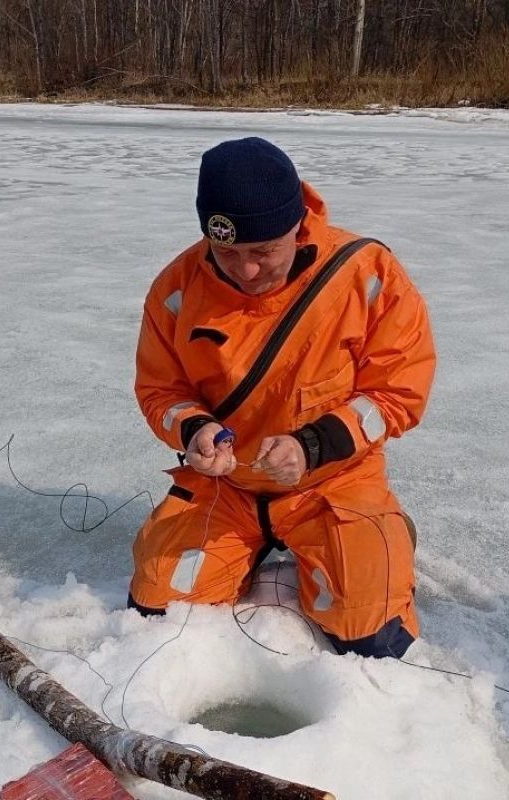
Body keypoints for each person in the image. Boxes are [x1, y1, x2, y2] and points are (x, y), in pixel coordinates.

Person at [128, 137, 436, 658]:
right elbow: (162, 390)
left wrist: (312, 446)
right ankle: (246, 550)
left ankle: (386, 531)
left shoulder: (366, 275)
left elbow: (397, 393)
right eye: (227, 253)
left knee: (372, 637)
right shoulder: (176, 289)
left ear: (296, 224)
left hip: (332, 482)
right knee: (160, 612)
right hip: (227, 488)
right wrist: (194, 430)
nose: (245, 271)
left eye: (263, 252)